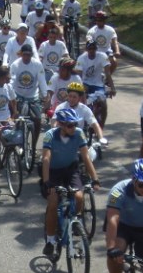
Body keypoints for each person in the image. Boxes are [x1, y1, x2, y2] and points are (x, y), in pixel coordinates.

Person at [40, 107, 99, 259]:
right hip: (53, 172)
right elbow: (46, 159)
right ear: (60, 124)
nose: (73, 127)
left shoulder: (79, 133)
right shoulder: (50, 136)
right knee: (53, 203)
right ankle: (51, 240)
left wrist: (95, 178)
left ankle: (74, 224)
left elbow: (86, 157)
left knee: (79, 197)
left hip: (70, 170)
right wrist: (47, 182)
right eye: (69, 125)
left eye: (75, 124)